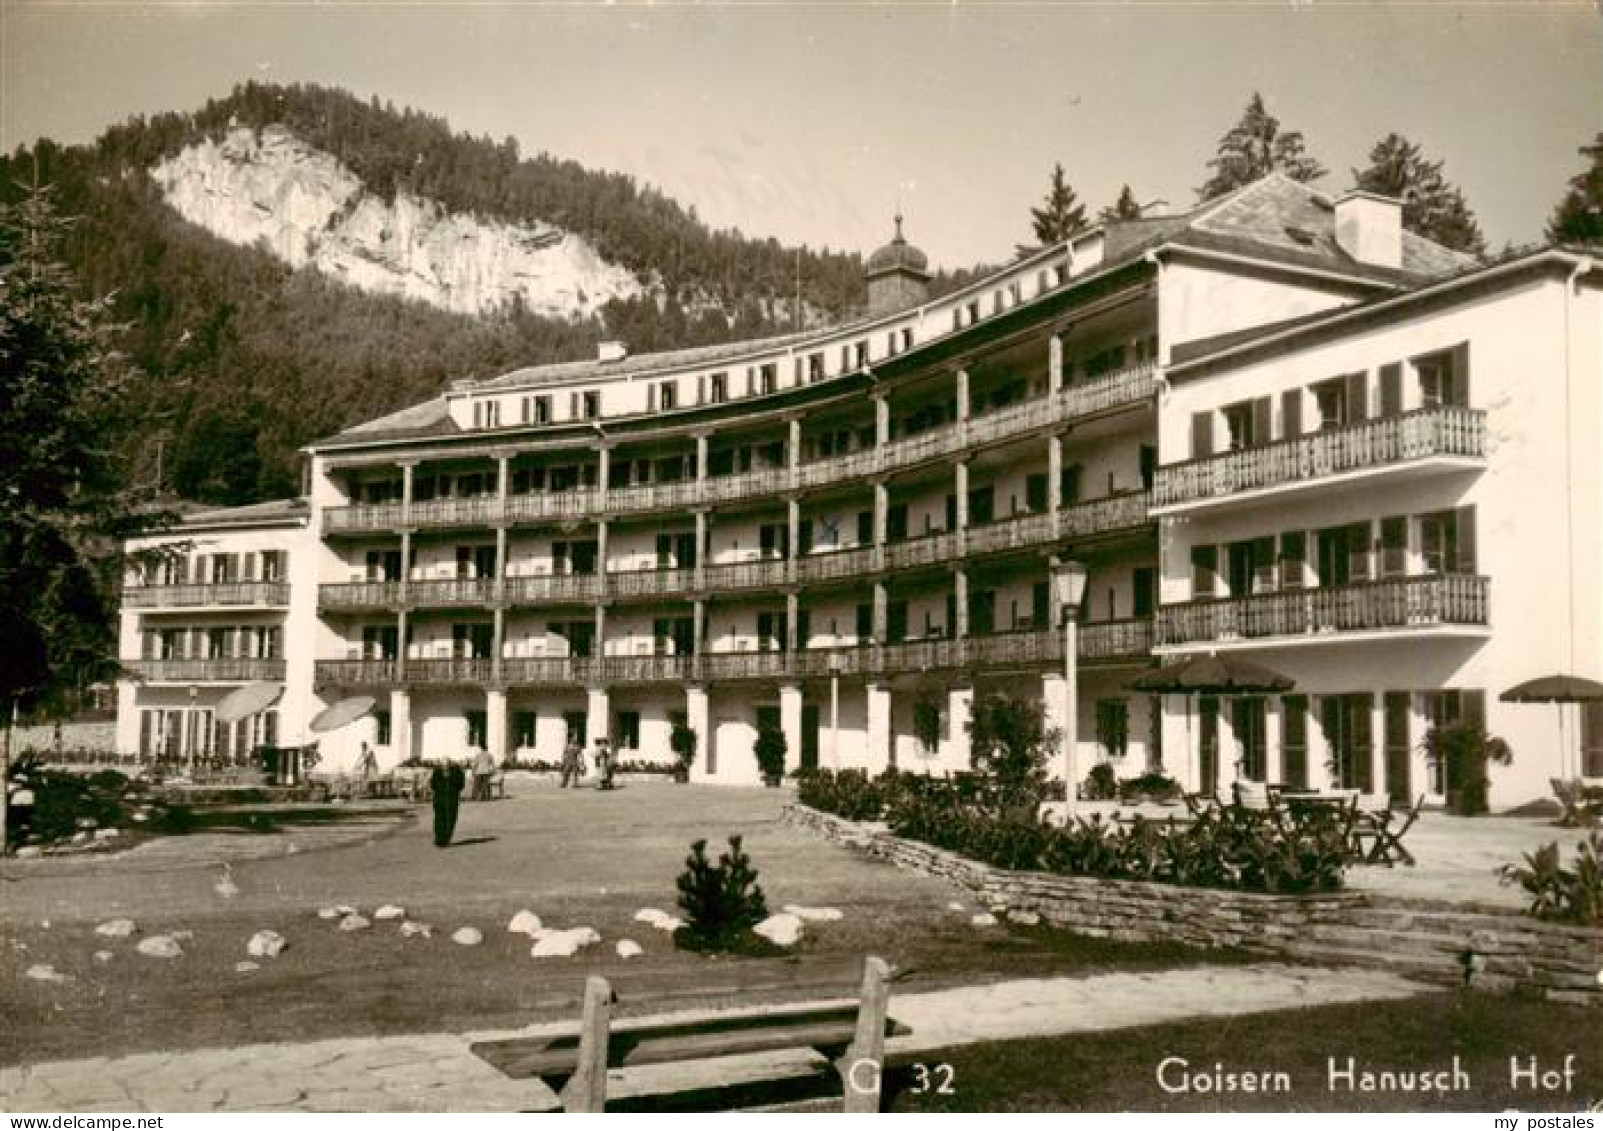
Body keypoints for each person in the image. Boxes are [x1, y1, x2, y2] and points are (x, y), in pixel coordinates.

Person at [431, 761, 466, 847]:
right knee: (448, 818)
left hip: (441, 797)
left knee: (441, 818)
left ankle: (441, 839)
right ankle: (443, 839)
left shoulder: (437, 772)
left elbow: (433, 785)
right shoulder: (457, 773)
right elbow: (461, 786)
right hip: (451, 798)